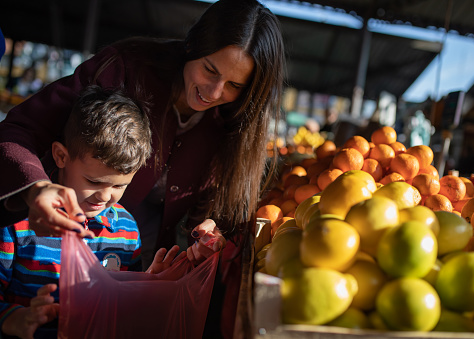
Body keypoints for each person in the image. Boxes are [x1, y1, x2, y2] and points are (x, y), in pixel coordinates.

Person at [0, 0, 285, 337]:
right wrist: (37, 188)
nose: (214, 92)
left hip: (127, 251)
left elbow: (213, 207)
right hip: (52, 235)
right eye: (209, 70)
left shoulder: (233, 124)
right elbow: (20, 129)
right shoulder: (124, 69)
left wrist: (206, 233)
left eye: (236, 86)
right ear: (193, 45)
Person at [0, 85, 155, 338]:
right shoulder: (16, 221)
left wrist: (151, 284)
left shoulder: (127, 231)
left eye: (119, 185)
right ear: (61, 156)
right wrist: (15, 318)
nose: (105, 196)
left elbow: (126, 309)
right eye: (93, 182)